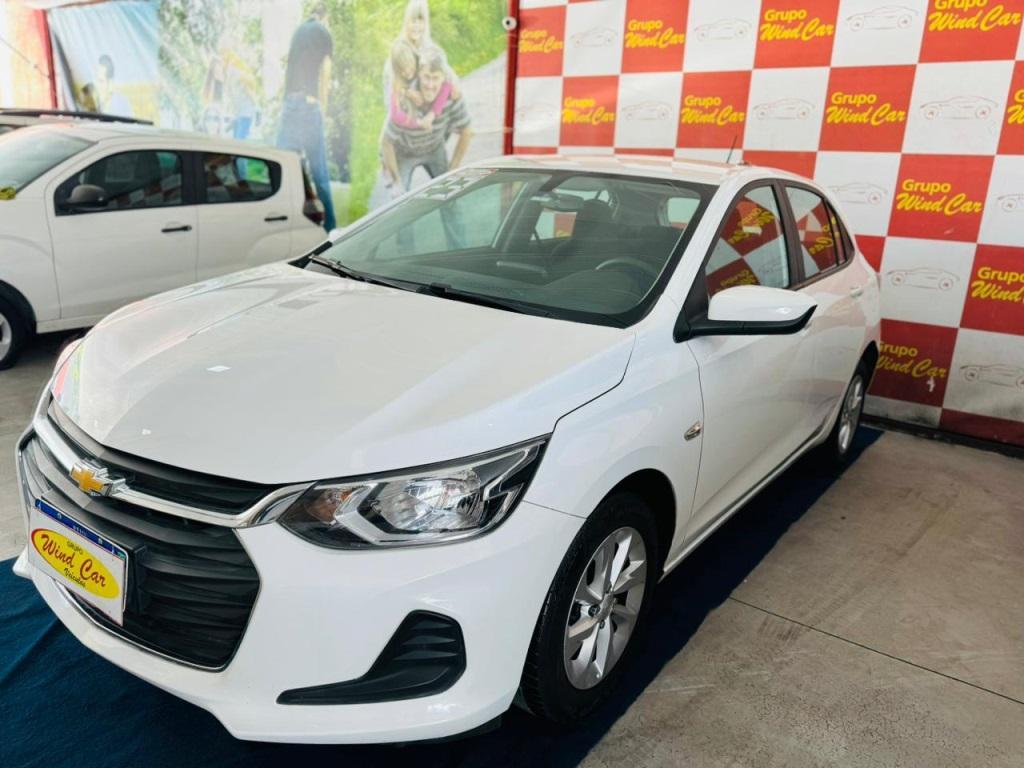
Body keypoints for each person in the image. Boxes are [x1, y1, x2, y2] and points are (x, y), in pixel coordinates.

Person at [380, 45, 472, 194]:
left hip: (434, 149)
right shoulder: (404, 95)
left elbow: (466, 131)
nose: (430, 85)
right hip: (405, 152)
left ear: (444, 78)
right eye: (426, 77)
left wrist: (453, 170)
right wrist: (396, 181)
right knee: (399, 196)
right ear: (419, 74)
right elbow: (386, 141)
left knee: (450, 193)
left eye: (435, 78)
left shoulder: (451, 93)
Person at [276, 2, 335, 231]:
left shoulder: (298, 32)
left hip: (290, 103)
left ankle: (292, 221)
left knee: (285, 165)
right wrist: (322, 107)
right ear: (325, 16)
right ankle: (330, 227)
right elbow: (325, 72)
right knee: (319, 172)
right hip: (309, 105)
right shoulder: (323, 32)